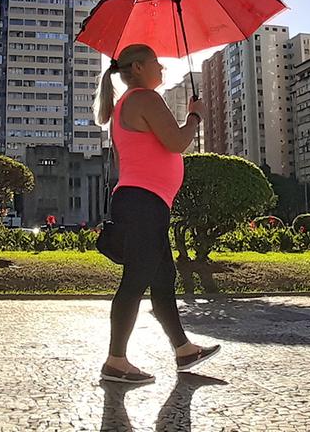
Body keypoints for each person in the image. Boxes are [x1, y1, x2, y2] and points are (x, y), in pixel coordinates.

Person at [95, 44, 220, 384]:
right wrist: (195, 115)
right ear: (137, 67)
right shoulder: (144, 98)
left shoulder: (128, 102)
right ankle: (116, 361)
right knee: (135, 281)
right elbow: (178, 141)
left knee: (163, 279)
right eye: (156, 62)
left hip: (144, 204)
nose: (162, 67)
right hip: (142, 204)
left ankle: (183, 349)